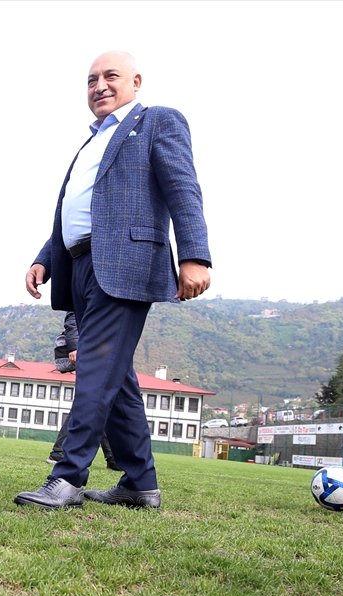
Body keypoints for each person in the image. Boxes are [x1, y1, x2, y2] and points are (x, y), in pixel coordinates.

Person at [15, 50, 211, 509]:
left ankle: (67, 478)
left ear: (136, 81)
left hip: (125, 264)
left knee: (97, 368)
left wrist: (195, 255)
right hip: (78, 264)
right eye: (91, 80)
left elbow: (184, 187)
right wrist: (45, 257)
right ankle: (140, 484)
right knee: (115, 377)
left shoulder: (158, 121)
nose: (99, 85)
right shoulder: (89, 143)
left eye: (110, 76)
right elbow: (77, 210)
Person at [47, 311, 117, 470]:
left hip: (102, 350)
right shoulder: (89, 287)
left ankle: (113, 458)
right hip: (89, 350)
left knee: (99, 404)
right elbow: (73, 314)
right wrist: (74, 345)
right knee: (90, 402)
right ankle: (59, 452)